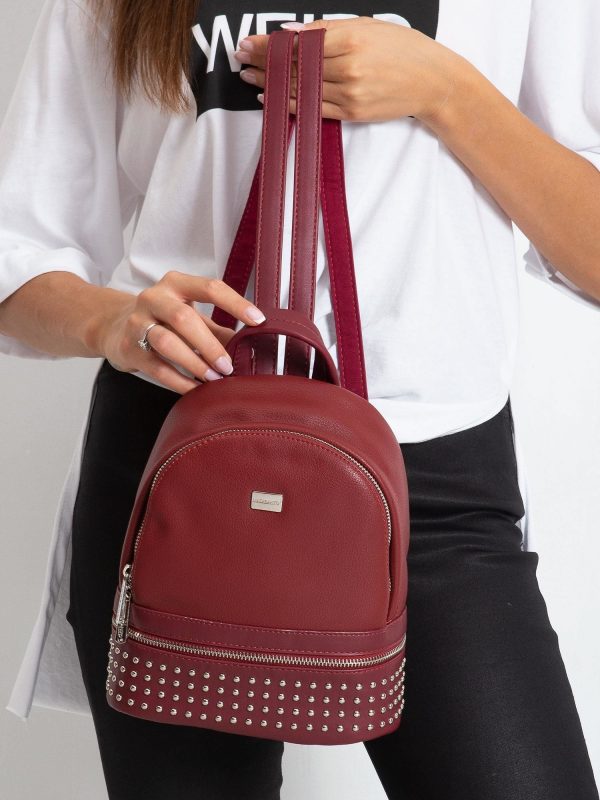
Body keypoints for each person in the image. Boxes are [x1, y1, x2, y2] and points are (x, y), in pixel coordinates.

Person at [1, 0, 599, 798]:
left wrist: (445, 89)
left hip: (436, 489)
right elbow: (19, 246)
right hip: (177, 472)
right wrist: (110, 319)